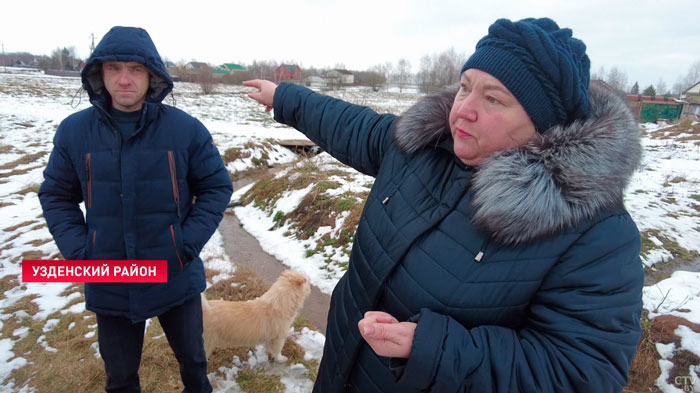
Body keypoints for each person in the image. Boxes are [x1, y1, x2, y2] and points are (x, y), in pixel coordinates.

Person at [244, 17, 644, 393]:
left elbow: (581, 373)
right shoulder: (424, 146)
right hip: (341, 367)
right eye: (465, 86)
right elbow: (353, 125)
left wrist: (439, 352)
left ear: (545, 124)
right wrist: (286, 97)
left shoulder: (596, 234)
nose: (464, 109)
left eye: (493, 99)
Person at [38, 26, 232, 393]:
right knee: (121, 376)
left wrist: (184, 244)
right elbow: (56, 195)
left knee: (194, 363)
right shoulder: (74, 133)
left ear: (152, 75)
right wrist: (81, 252)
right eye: (114, 68)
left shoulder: (186, 131)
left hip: (175, 272)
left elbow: (216, 187)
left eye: (135, 69)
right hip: (110, 276)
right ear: (99, 73)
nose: (124, 79)